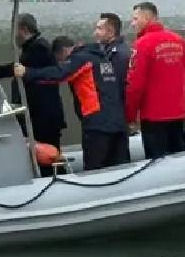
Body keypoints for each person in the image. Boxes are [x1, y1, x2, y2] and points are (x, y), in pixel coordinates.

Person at [16, 35, 130, 171]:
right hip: (118, 123)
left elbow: (59, 74)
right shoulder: (102, 58)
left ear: (63, 52)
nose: (63, 63)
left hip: (98, 125)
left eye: (61, 60)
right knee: (121, 167)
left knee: (94, 170)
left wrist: (27, 72)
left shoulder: (80, 58)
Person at [125, 2, 185, 159]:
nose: (132, 23)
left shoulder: (142, 44)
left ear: (147, 18)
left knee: (157, 160)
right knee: (178, 155)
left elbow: (135, 85)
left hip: (153, 116)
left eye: (135, 19)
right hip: (177, 112)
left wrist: (130, 116)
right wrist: (180, 100)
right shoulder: (178, 40)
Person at [0, 13, 66, 158]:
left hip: (43, 117)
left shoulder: (39, 48)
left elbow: (16, 69)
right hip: (36, 115)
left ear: (24, 30)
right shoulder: (32, 47)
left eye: (15, 31)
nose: (13, 36)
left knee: (47, 155)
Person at [94, 12, 131, 89]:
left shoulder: (116, 55)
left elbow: (109, 83)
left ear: (111, 32)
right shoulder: (110, 51)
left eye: (99, 28)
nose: (95, 33)